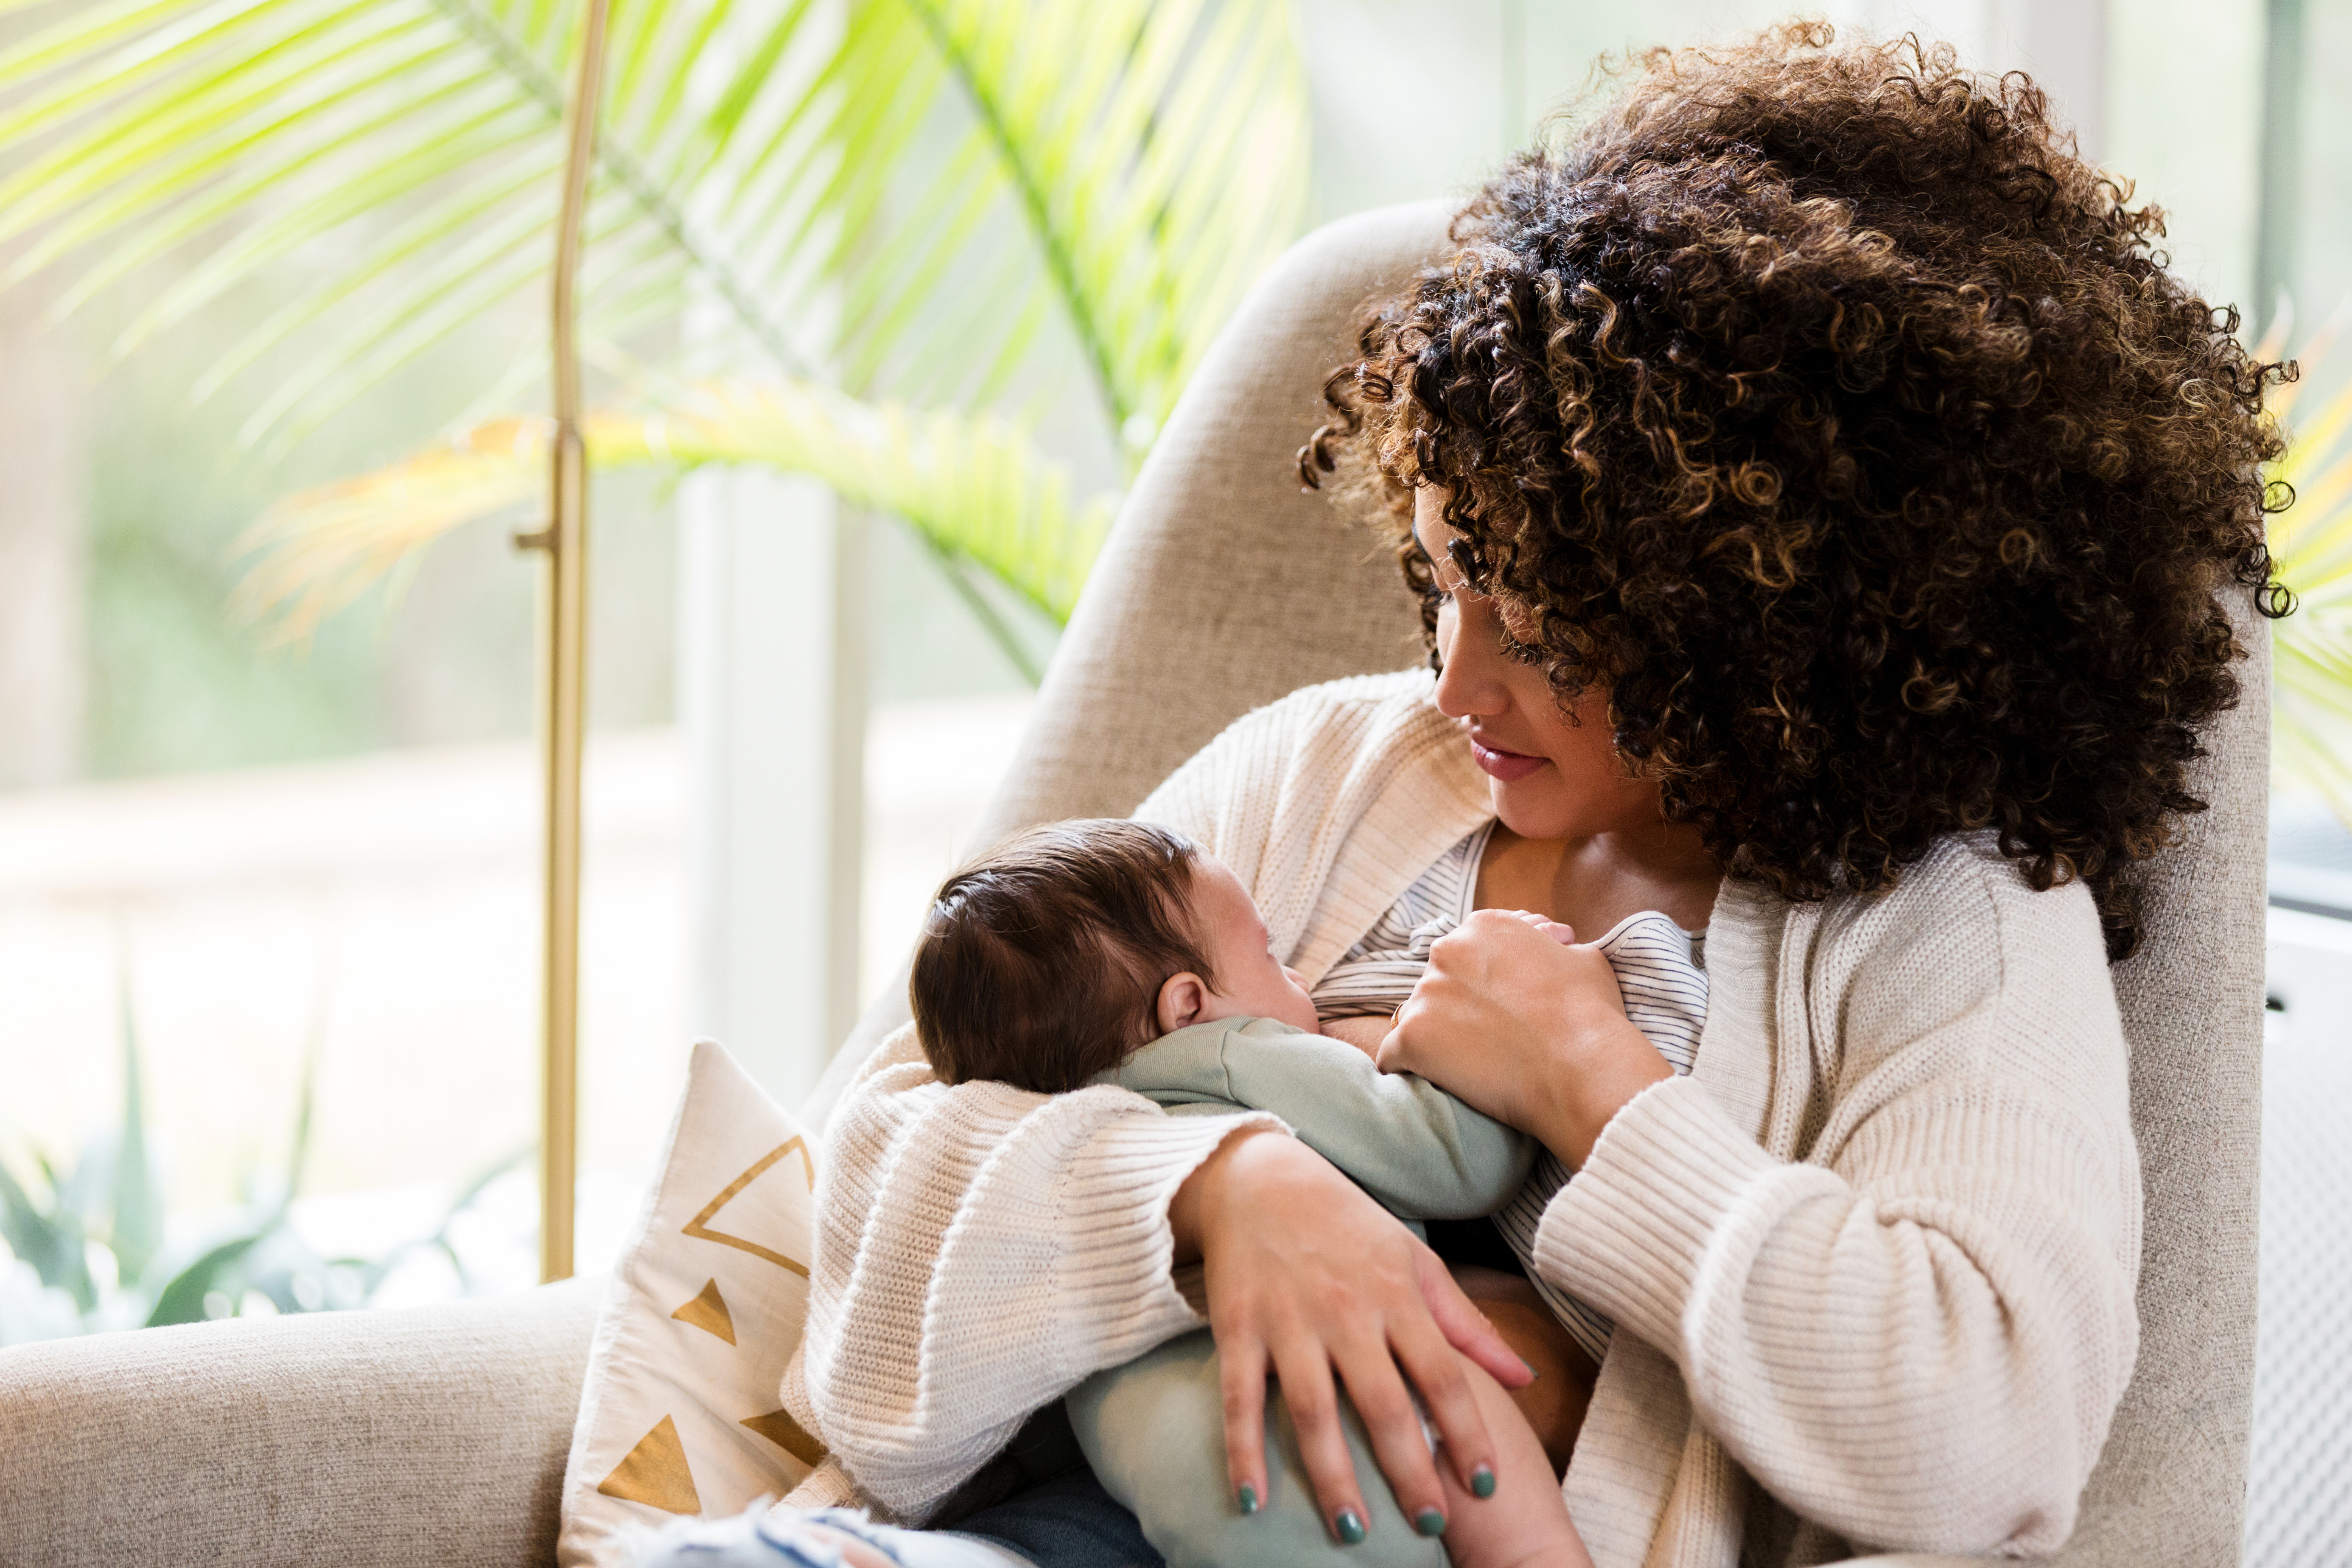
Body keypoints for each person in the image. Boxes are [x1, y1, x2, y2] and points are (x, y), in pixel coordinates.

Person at [650, 22, 2287, 1568]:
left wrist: (1596, 1089)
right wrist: (1223, 1190)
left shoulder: (1950, 930)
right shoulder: (1335, 769)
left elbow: (1988, 1432)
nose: (1452, 683)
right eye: (1443, 582)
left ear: (1774, 610)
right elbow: (870, 1173)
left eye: (1547, 628)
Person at [897, 815, 1704, 1568]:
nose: (1298, 978)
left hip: (1177, 1488)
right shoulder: (1235, 1055)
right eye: (1272, 955)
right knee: (1450, 1374)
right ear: (1189, 1005)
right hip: (1342, 1439)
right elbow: (1458, 1161)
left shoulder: (1057, 1128)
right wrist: (1472, 1048)